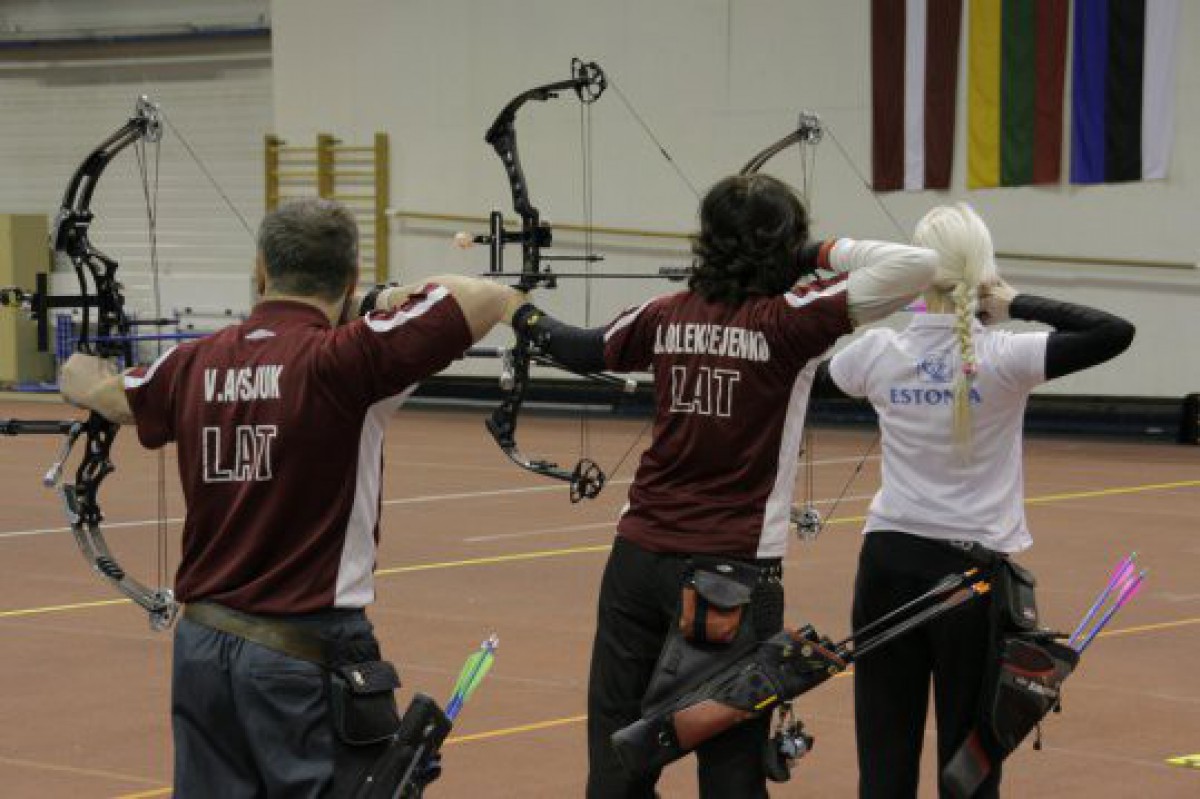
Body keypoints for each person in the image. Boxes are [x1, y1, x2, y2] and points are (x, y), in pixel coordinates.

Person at [58, 197, 526, 797]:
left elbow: (108, 393)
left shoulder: (193, 361)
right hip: (305, 655)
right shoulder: (347, 357)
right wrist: (377, 301)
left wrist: (80, 376)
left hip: (203, 650)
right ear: (350, 278)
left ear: (260, 270)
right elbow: (482, 296)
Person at [506, 173, 940, 798]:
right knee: (731, 766)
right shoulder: (791, 320)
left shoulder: (665, 314)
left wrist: (514, 311)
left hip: (637, 560)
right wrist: (813, 252)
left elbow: (579, 347)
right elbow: (917, 265)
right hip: (731, 575)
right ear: (784, 243)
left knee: (618, 754)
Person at [827, 203, 1135, 799]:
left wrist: (871, 297)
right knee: (971, 763)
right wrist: (1013, 303)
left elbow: (799, 374)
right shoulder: (1003, 355)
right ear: (983, 273)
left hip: (888, 565)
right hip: (969, 581)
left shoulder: (877, 351)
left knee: (884, 755)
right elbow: (1112, 331)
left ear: (918, 272)